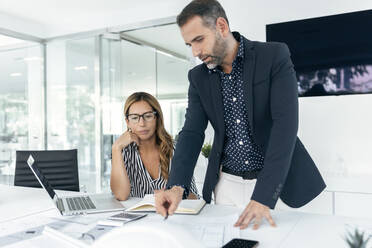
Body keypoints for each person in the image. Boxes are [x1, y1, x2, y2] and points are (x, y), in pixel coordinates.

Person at [155, 0, 326, 230]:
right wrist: (176, 186)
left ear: (221, 26)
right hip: (226, 186)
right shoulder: (198, 77)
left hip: (276, 184)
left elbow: (284, 127)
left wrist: (263, 196)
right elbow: (191, 132)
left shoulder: (273, 56)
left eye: (199, 40)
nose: (196, 52)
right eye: (189, 44)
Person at [110, 92, 198, 200]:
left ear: (157, 118)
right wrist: (116, 148)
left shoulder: (176, 150)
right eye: (134, 118)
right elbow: (121, 195)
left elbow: (194, 198)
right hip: (136, 216)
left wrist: (178, 194)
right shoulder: (123, 153)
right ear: (127, 122)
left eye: (148, 116)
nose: (142, 123)